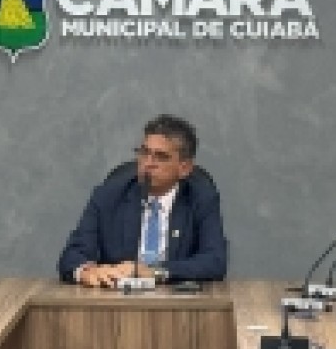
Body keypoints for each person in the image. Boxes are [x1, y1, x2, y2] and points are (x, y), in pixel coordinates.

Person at [58, 115, 228, 287]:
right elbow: (72, 255)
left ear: (184, 168)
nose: (148, 163)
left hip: (175, 298)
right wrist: (87, 271)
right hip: (117, 297)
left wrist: (155, 271)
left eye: (161, 157)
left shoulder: (201, 198)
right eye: (144, 153)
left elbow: (214, 261)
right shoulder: (109, 195)